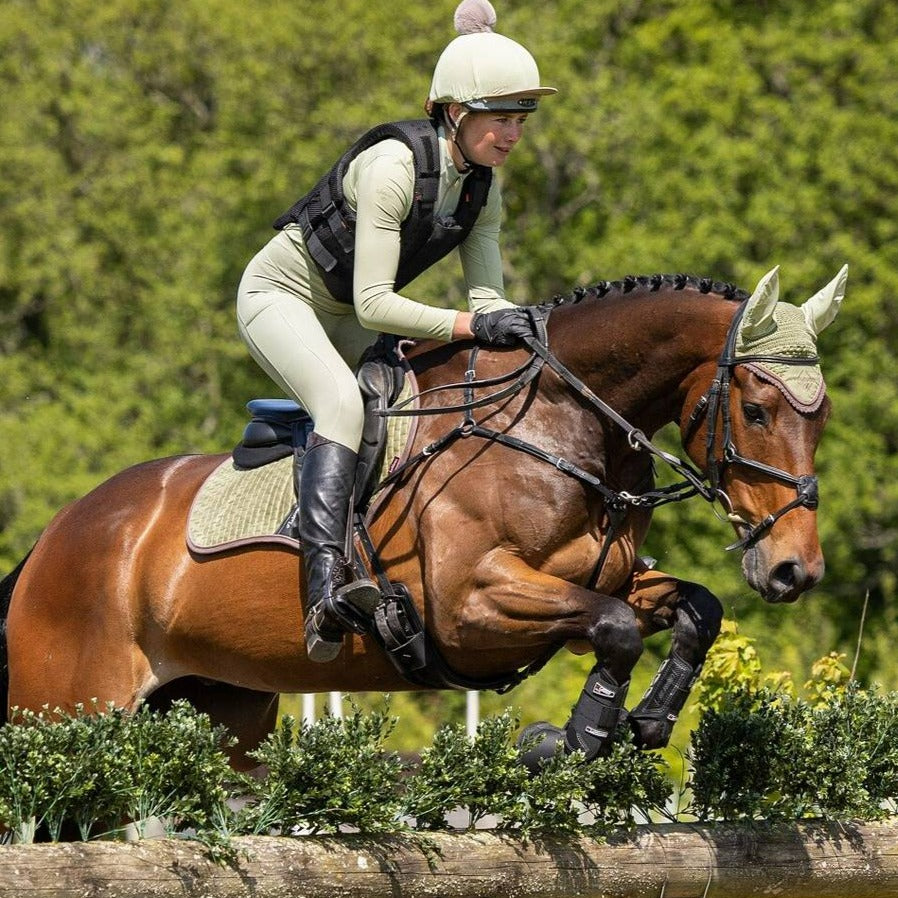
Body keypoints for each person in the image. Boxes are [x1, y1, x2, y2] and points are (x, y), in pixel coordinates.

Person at [236, 0, 556, 662]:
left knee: (426, 404)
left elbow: (486, 297)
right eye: (501, 118)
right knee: (342, 405)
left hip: (349, 313)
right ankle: (323, 591)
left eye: (521, 118)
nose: (513, 133)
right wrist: (475, 321)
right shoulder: (393, 167)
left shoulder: (481, 190)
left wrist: (517, 326)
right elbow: (378, 304)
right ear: (456, 113)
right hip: (284, 298)